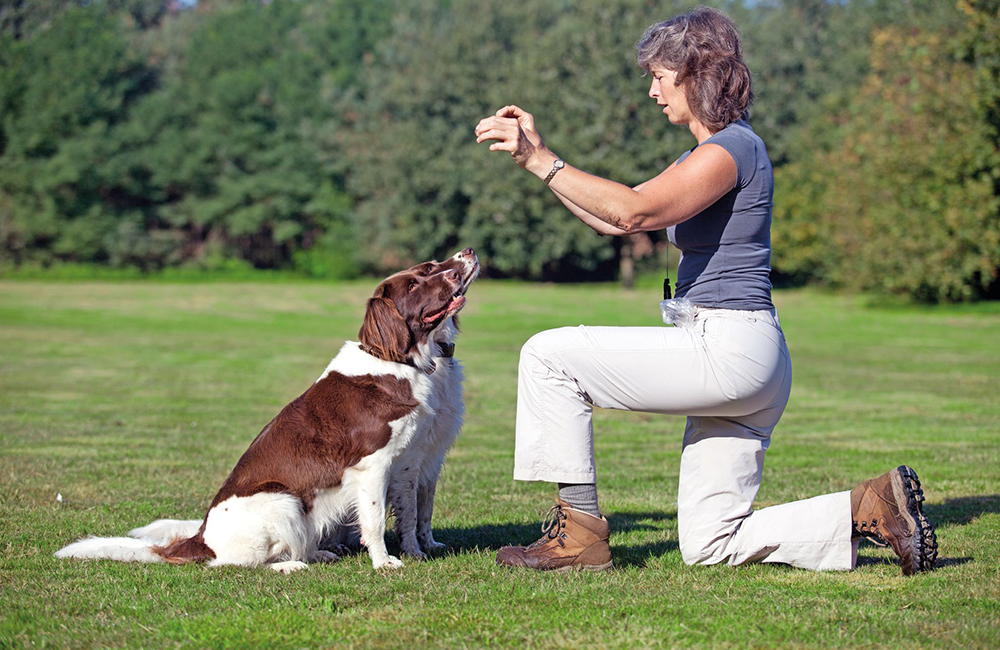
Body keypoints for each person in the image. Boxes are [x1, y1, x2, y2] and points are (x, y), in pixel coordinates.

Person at [473, 6, 937, 575]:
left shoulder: (731, 149)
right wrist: (537, 160)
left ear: (695, 75)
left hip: (728, 350)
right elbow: (608, 218)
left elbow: (631, 212)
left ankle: (579, 537)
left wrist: (540, 159)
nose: (651, 91)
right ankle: (870, 508)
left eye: (660, 77)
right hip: (744, 358)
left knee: (546, 355)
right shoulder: (704, 154)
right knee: (709, 545)